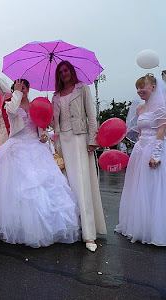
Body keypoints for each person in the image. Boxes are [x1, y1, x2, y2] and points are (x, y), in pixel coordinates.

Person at [0, 79, 80, 248]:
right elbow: (12, 111)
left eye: (25, 87)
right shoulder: (10, 104)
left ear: (29, 89)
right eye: (19, 87)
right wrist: (16, 93)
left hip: (36, 146)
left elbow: (41, 124)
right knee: (20, 188)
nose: (23, 90)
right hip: (17, 145)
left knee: (44, 185)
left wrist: (43, 134)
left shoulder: (36, 103)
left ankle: (47, 226)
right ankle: (19, 225)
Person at [51, 61, 107, 252]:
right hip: (62, 141)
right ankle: (73, 229)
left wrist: (93, 139)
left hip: (80, 139)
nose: (64, 73)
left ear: (71, 71)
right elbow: (53, 122)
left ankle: (89, 234)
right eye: (60, 71)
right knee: (66, 184)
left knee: (83, 184)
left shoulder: (82, 88)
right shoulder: (55, 96)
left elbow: (92, 115)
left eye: (66, 70)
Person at [115, 74, 166, 246]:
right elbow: (140, 133)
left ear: (153, 87)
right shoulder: (139, 109)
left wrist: (156, 154)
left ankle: (154, 228)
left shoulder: (161, 106)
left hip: (154, 148)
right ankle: (139, 225)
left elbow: (161, 132)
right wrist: (138, 148)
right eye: (137, 88)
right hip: (140, 149)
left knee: (152, 188)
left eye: (142, 87)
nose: (139, 91)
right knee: (137, 188)